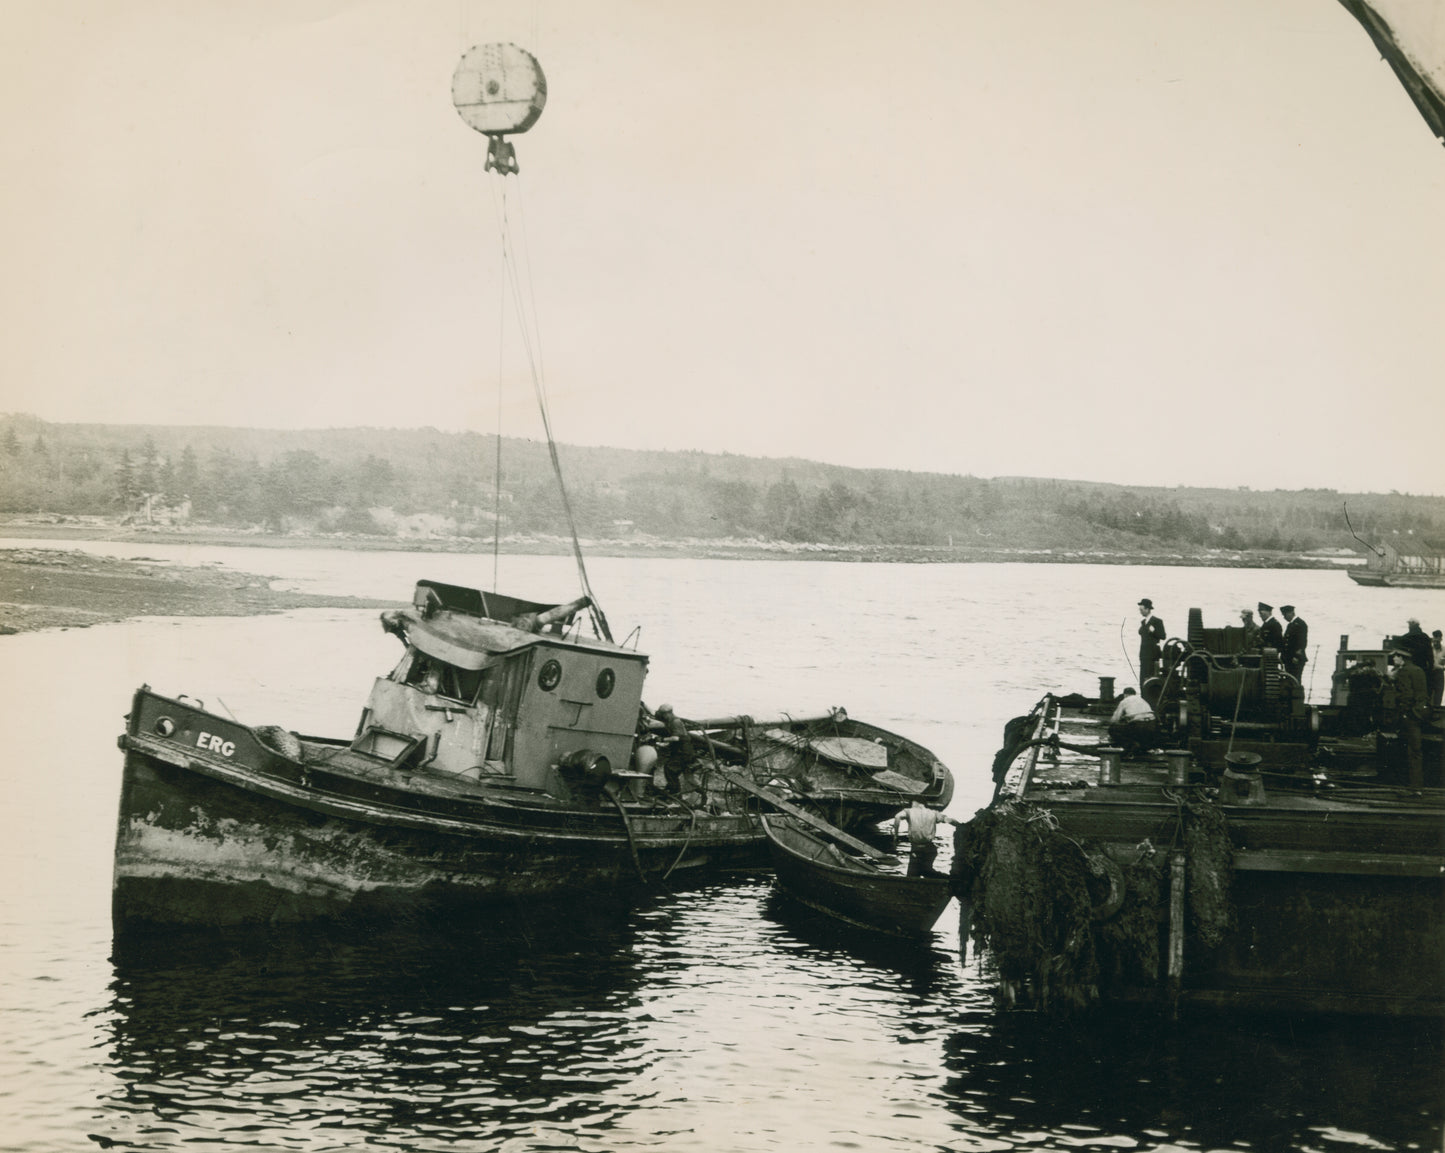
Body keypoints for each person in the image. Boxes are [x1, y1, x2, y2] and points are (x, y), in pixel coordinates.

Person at [1389, 648, 1428, 787]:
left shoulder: (1404, 672)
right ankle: (1415, 786)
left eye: (1396, 657)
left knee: (1410, 751)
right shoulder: (1418, 670)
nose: (1394, 660)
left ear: (1402, 658)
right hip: (1416, 714)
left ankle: (1413, 787)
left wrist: (1405, 713)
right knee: (1415, 751)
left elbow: (1405, 695)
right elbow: (1422, 694)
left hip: (1408, 716)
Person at [893, 800, 958, 877]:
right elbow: (948, 820)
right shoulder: (933, 813)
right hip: (930, 849)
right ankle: (946, 879)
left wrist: (896, 836)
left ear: (914, 803)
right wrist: (960, 825)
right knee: (926, 871)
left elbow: (897, 817)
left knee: (913, 875)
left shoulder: (909, 811)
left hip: (917, 848)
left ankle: (947, 879)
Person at [1107, 686, 1159, 758]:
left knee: (1112, 729)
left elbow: (1115, 720)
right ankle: (1144, 747)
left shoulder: (1124, 701)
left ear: (1125, 695)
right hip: (1152, 724)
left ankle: (1130, 745)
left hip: (1139, 725)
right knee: (1138, 730)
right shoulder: (1142, 700)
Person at [1137, 598, 1166, 683]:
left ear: (1147, 609)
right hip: (1143, 654)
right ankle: (1143, 694)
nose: (1140, 612)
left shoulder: (1157, 621)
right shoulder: (1143, 622)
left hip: (1152, 654)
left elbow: (1163, 636)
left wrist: (1154, 631)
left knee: (1150, 677)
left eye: (1141, 610)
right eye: (1140, 610)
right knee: (1142, 678)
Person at [1280, 605, 1309, 680]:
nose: (1284, 617)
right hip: (1289, 659)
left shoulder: (1300, 624)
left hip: (1295, 659)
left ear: (1291, 613)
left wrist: (1297, 657)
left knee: (1295, 680)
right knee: (1290, 680)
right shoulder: (1291, 625)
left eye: (1285, 615)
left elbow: (1302, 642)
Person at [1431, 629, 1444, 708]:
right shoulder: (1429, 649)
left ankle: (1437, 709)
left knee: (1439, 692)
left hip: (1439, 674)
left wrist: (1441, 667)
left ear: (1441, 639)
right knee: (1430, 692)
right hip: (1430, 673)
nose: (1435, 639)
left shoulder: (1444, 650)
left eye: (1437, 637)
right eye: (1434, 637)